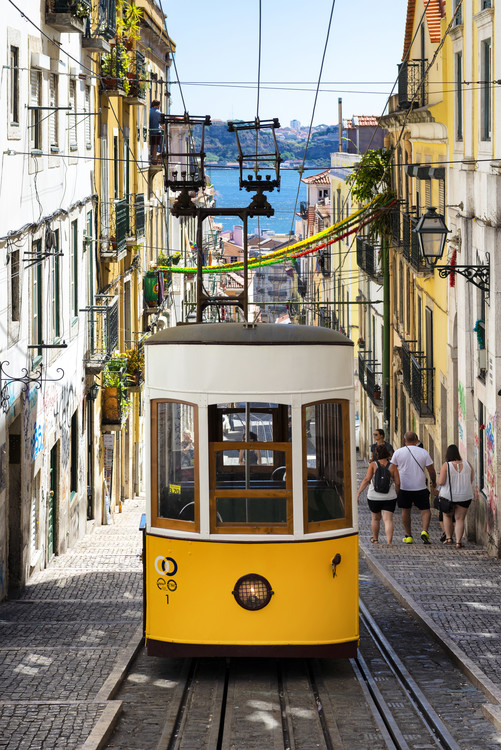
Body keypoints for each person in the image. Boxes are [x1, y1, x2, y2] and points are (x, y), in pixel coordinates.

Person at [391, 431, 437, 544]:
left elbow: (392, 469)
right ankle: (424, 531)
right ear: (416, 440)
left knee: (405, 510)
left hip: (404, 486)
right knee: (425, 510)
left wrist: (395, 483)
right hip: (420, 486)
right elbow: (431, 470)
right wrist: (433, 482)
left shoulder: (398, 452)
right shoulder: (423, 452)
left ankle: (408, 535)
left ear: (404, 440)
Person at [357, 444, 400, 544]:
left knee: (375, 518)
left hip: (373, 497)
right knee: (388, 520)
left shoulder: (373, 465)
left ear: (377, 454)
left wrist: (359, 492)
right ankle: (389, 542)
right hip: (389, 497)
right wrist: (396, 493)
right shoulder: (393, 466)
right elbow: (398, 483)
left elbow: (367, 479)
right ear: (388, 454)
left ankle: (375, 539)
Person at [437, 444, 474, 548]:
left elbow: (441, 482)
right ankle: (458, 542)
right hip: (465, 496)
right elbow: (470, 480)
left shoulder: (446, 465)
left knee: (447, 516)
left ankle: (449, 538)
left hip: (448, 496)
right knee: (460, 519)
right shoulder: (468, 464)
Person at [149, 99, 163, 164]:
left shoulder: (149, 111)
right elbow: (162, 123)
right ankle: (154, 158)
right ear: (158, 105)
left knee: (152, 144)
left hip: (150, 131)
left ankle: (152, 156)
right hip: (156, 131)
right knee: (155, 145)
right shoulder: (158, 113)